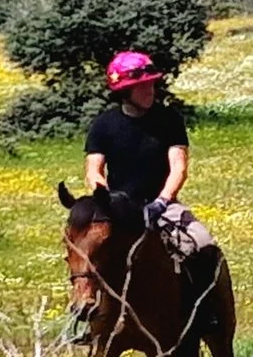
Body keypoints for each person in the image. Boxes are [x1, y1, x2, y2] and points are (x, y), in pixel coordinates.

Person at [83, 50, 221, 297]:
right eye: (142, 87)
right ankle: (87, 313)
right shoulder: (103, 125)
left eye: (151, 85)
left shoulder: (169, 119)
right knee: (88, 251)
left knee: (203, 243)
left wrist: (162, 201)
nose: (150, 91)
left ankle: (207, 312)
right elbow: (94, 171)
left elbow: (179, 167)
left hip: (163, 205)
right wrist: (105, 199)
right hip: (119, 207)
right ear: (125, 92)